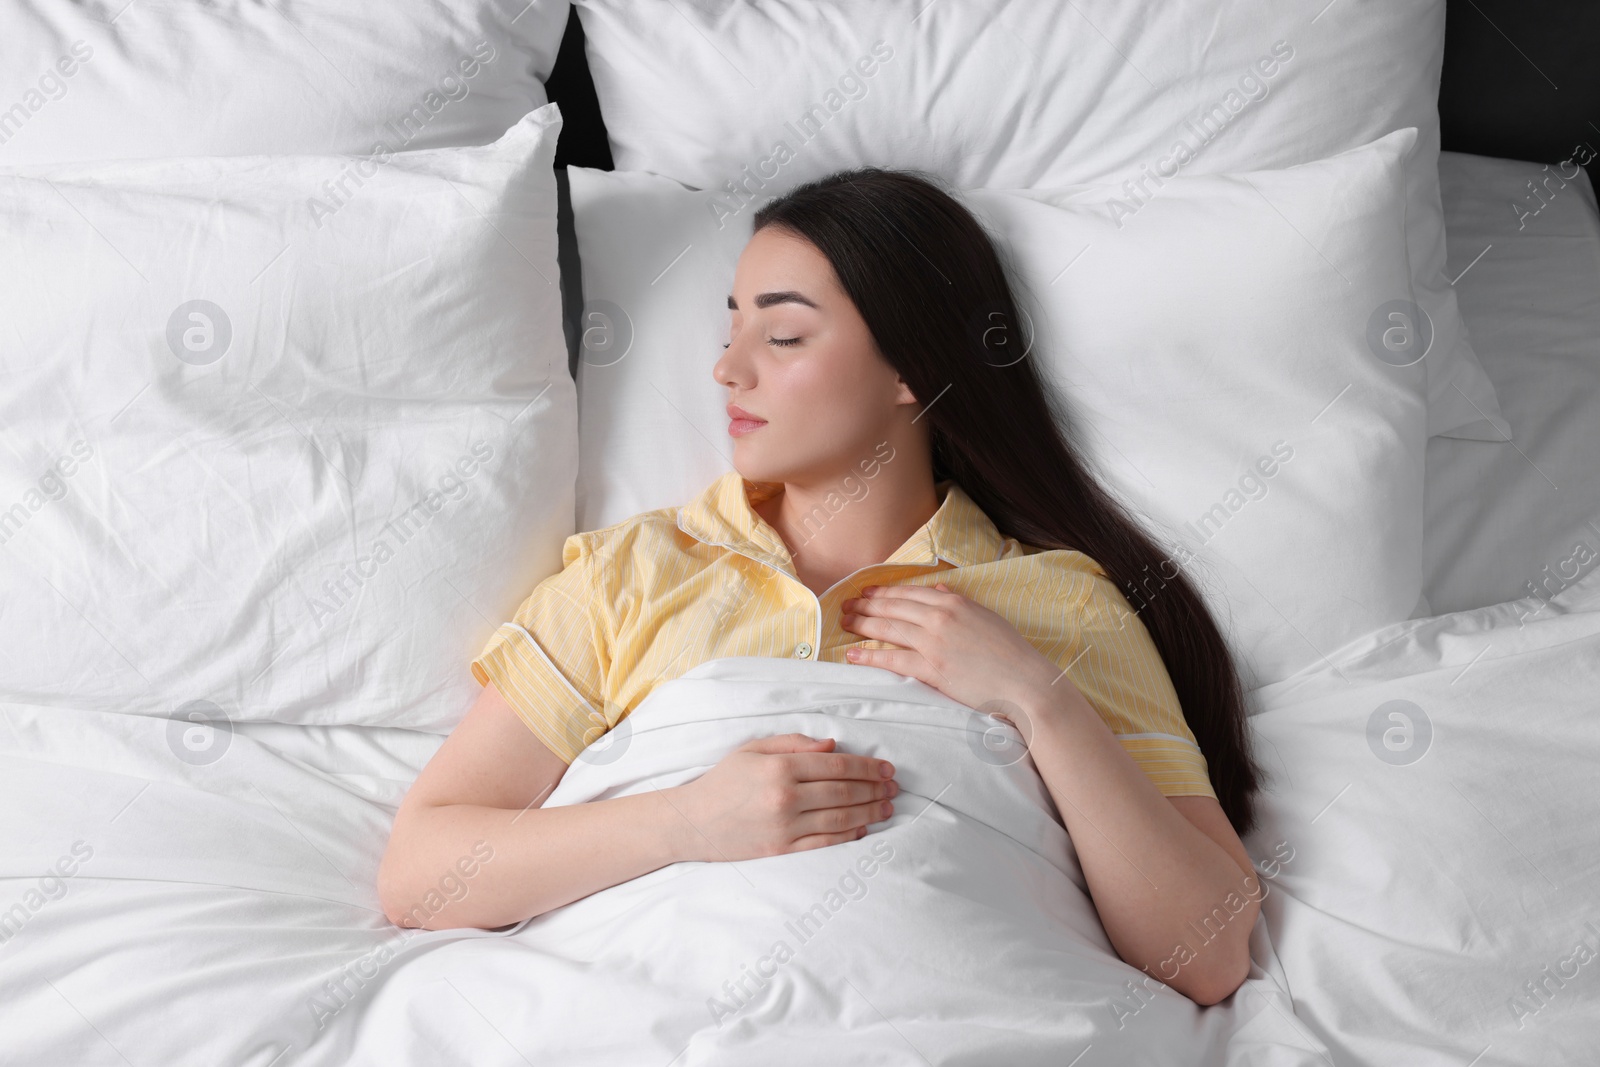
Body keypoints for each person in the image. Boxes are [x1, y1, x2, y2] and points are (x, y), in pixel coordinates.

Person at [378, 167, 1264, 1006]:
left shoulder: (1060, 600)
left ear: (910, 368)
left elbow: (1210, 952)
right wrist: (683, 822)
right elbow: (422, 869)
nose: (728, 370)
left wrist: (1040, 700)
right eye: (730, 333)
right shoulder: (633, 572)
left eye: (783, 335)